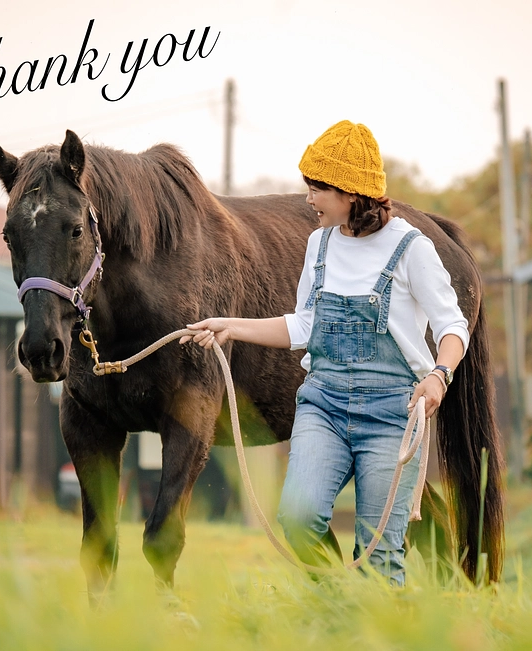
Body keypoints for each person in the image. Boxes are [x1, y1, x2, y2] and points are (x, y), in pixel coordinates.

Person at [182, 120, 468, 585]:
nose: (308, 199)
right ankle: (338, 602)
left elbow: (452, 325)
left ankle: (368, 625)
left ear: (350, 191)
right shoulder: (319, 245)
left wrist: (438, 375)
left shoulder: (412, 248)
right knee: (297, 519)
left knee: (381, 555)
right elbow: (305, 325)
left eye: (316, 189)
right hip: (324, 406)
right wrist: (229, 327)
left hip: (393, 413)